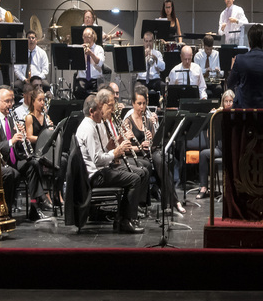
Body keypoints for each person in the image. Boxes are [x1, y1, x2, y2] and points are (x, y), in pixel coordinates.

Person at [74, 89, 148, 233]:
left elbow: (100, 152)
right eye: (99, 110)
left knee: (137, 175)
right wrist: (116, 152)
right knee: (134, 179)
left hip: (101, 170)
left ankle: (122, 219)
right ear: (91, 111)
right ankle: (125, 221)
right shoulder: (88, 129)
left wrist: (113, 147)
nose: (102, 113)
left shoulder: (92, 124)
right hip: (96, 176)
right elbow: (97, 160)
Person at [123, 86, 183, 214]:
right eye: (139, 104)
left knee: (161, 161)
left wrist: (151, 139)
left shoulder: (147, 119)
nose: (142, 107)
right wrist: (139, 147)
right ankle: (150, 202)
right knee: (152, 164)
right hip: (136, 154)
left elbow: (155, 143)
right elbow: (125, 147)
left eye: (144, 104)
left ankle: (172, 201)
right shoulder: (128, 121)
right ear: (133, 104)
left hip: (149, 152)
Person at [0, 86, 48, 219]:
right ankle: (39, 200)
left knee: (33, 164)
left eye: (11, 101)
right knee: (14, 173)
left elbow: (17, 144)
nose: (10, 104)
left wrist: (21, 135)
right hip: (3, 161)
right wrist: (11, 141)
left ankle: (34, 206)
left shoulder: (11, 117)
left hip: (15, 159)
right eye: (7, 101)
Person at [195, 90, 236, 199]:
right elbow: (210, 136)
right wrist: (212, 117)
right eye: (226, 101)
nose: (228, 104)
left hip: (234, 150)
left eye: (230, 101)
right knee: (203, 154)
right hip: (221, 149)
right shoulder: (219, 115)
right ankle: (203, 187)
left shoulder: (237, 114)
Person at [74, 27, 105, 97]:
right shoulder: (80, 48)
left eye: (88, 37)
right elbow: (75, 63)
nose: (86, 39)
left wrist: (91, 53)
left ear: (93, 37)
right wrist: (79, 52)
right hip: (82, 78)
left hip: (95, 79)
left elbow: (100, 63)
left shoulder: (99, 49)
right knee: (78, 91)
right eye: (84, 37)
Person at [136, 31, 166, 97]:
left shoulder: (158, 53)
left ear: (153, 42)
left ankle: (162, 105)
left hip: (155, 79)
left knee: (162, 86)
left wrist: (156, 59)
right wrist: (143, 57)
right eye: (146, 41)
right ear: (143, 42)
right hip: (142, 79)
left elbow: (163, 68)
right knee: (137, 87)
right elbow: (135, 69)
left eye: (150, 41)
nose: (148, 43)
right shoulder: (139, 54)